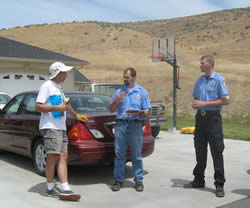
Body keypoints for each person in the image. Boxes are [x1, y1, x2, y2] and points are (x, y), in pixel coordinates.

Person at [35, 62, 88, 201]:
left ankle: (65, 186)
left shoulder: (59, 87)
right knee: (53, 156)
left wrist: (76, 115)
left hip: (60, 127)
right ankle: (50, 186)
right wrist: (57, 108)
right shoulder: (46, 86)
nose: (66, 75)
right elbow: (38, 107)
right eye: (64, 72)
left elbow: (66, 105)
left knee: (63, 155)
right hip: (50, 126)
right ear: (57, 73)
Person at [184, 55, 229, 197]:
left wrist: (205, 104)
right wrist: (195, 103)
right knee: (200, 150)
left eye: (202, 63)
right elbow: (196, 98)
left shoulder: (219, 80)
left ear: (209, 64)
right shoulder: (200, 80)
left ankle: (219, 184)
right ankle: (198, 179)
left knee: (217, 152)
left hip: (213, 120)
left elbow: (225, 100)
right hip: (200, 119)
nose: (200, 65)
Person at [109, 67, 151, 192]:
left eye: (127, 77)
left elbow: (147, 111)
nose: (125, 79)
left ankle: (138, 180)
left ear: (134, 77)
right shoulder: (119, 92)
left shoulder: (142, 92)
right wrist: (116, 100)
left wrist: (139, 113)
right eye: (124, 77)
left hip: (135, 125)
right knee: (119, 153)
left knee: (136, 154)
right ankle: (118, 180)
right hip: (121, 124)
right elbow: (111, 109)